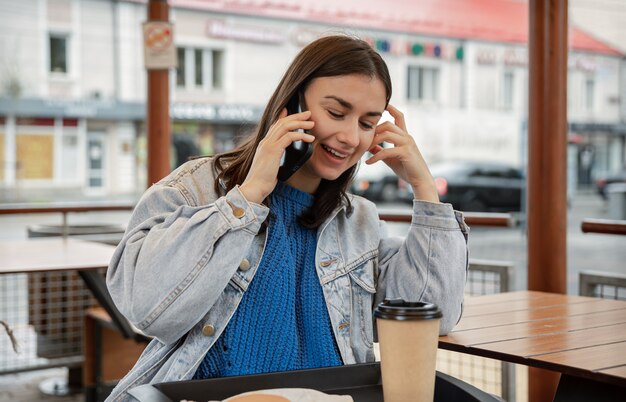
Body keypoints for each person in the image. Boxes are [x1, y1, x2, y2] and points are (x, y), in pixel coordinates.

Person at [105, 34, 469, 401]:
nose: (349, 137)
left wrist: (424, 187)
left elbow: (433, 314)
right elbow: (148, 310)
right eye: (336, 113)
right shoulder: (195, 189)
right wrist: (247, 198)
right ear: (291, 105)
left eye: (366, 123)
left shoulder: (359, 221)